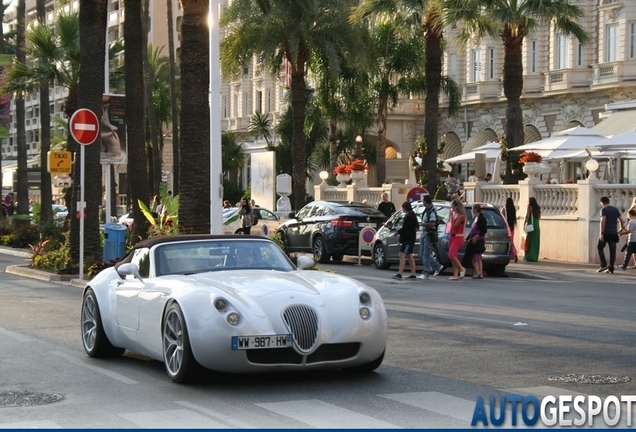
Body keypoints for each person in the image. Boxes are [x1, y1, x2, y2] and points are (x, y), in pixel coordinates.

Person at [418, 195, 444, 280]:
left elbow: (432, 223)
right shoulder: (427, 210)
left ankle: (426, 273)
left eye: (423, 200)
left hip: (428, 234)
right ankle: (437, 266)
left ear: (425, 201)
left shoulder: (431, 211)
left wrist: (423, 224)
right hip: (424, 233)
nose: (422, 202)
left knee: (426, 253)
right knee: (422, 253)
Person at [596, 196, 624, 273]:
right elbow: (621, 220)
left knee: (600, 247)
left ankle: (603, 264)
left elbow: (603, 221)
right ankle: (611, 268)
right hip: (613, 233)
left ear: (602, 202)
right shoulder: (615, 209)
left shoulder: (604, 210)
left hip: (606, 232)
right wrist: (621, 228)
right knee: (612, 251)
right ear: (608, 201)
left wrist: (601, 233)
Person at [392, 201, 418, 280]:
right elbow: (405, 228)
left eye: (403, 208)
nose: (402, 209)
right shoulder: (412, 215)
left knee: (402, 255)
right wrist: (398, 232)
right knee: (409, 255)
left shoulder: (409, 217)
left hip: (408, 240)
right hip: (410, 239)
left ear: (405, 208)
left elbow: (406, 230)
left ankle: (400, 273)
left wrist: (400, 240)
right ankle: (413, 273)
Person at [446, 199, 467, 280]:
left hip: (458, 237)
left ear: (457, 206)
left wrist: (451, 216)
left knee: (451, 254)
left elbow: (454, 226)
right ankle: (455, 274)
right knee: (453, 256)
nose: (452, 208)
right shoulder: (455, 214)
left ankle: (462, 268)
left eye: (453, 206)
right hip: (452, 236)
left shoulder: (461, 216)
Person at [467, 204, 487, 279]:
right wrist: (468, 238)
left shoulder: (481, 219)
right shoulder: (476, 217)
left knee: (475, 256)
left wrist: (477, 237)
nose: (472, 210)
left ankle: (478, 272)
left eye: (472, 209)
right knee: (478, 257)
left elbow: (484, 230)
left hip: (479, 240)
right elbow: (472, 231)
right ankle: (480, 273)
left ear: (475, 209)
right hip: (474, 239)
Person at [523, 197, 541, 262]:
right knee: (535, 241)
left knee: (529, 241)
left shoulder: (530, 207)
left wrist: (524, 223)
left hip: (531, 226)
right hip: (536, 225)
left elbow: (527, 216)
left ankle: (529, 256)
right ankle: (535, 256)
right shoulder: (537, 208)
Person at [500, 197, 518, 262]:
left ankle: (514, 253)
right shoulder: (513, 209)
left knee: (509, 241)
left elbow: (501, 217)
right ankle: (512, 254)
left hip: (506, 227)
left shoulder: (504, 209)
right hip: (512, 226)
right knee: (511, 240)